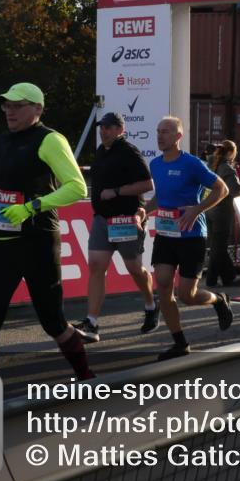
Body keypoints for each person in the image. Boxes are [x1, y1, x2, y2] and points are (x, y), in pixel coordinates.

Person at [0, 83, 93, 380]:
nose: (10, 111)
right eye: (6, 105)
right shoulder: (2, 140)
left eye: (18, 105)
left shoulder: (50, 139)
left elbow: (77, 187)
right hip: (2, 242)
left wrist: (32, 207)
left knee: (53, 322)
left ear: (37, 109)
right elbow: (1, 192)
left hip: (37, 242)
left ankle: (86, 376)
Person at [149, 116, 233, 360]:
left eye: (165, 131)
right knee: (163, 284)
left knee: (187, 295)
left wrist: (197, 209)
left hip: (191, 236)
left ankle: (218, 300)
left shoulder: (192, 163)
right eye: (158, 131)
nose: (160, 135)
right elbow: (160, 197)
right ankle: (179, 343)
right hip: (166, 234)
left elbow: (222, 189)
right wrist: (146, 209)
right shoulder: (155, 164)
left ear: (178, 136)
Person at [74, 112, 157, 344]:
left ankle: (151, 304)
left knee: (134, 268)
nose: (104, 131)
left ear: (121, 129)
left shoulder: (129, 151)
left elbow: (148, 184)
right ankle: (92, 322)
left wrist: (117, 192)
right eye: (102, 127)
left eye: (109, 128)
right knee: (97, 266)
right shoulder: (101, 151)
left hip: (125, 219)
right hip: (102, 219)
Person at [205, 140, 240, 288]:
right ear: (231, 152)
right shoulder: (227, 169)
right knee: (220, 247)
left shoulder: (211, 165)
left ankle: (229, 277)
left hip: (209, 209)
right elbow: (236, 190)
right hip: (222, 211)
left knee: (217, 246)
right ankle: (211, 279)